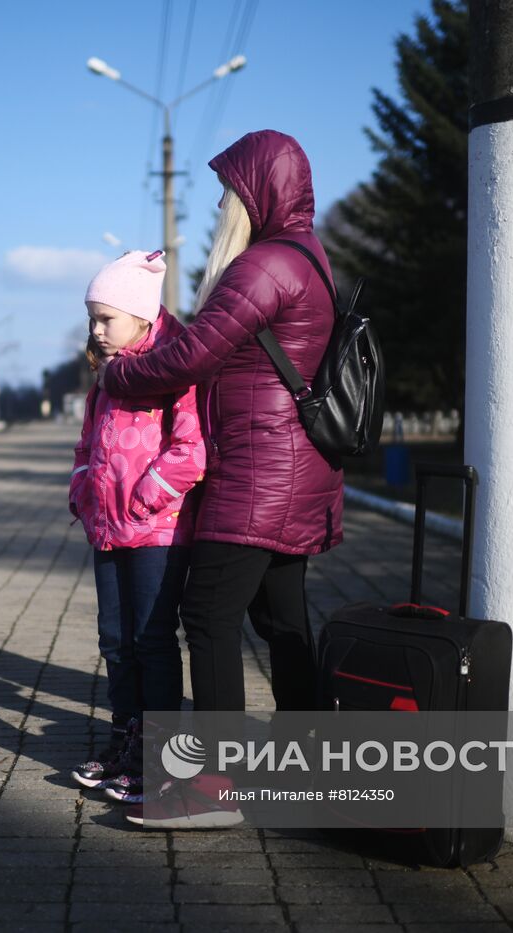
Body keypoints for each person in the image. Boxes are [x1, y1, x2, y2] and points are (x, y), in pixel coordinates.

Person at [98, 130, 344, 829]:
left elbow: (189, 360)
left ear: (256, 190)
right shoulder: (309, 256)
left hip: (258, 472)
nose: (220, 203)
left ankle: (207, 791)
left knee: (207, 617)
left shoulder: (263, 264)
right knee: (282, 621)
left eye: (228, 189)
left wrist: (119, 374)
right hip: (297, 470)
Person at [67, 249, 206, 805]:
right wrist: (83, 489)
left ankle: (160, 753)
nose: (97, 330)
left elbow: (190, 449)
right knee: (114, 640)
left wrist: (147, 498)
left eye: (108, 319)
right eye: (92, 319)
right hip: (106, 528)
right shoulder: (104, 379)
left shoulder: (173, 369)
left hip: (156, 532)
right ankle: (125, 738)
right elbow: (86, 444)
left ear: (143, 318)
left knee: (151, 640)